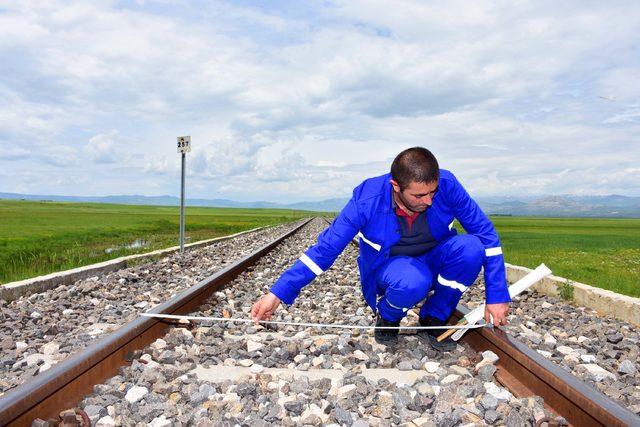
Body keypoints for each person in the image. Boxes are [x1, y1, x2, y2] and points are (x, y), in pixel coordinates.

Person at [251, 147, 510, 350]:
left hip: (435, 256)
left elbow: (486, 234)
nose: (429, 201)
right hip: (393, 267)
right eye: (419, 196)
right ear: (395, 186)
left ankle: (434, 317)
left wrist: (497, 295)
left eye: (432, 192)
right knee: (412, 280)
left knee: (471, 248)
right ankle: (388, 316)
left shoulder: (448, 185)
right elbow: (325, 250)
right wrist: (277, 293)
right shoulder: (367, 199)